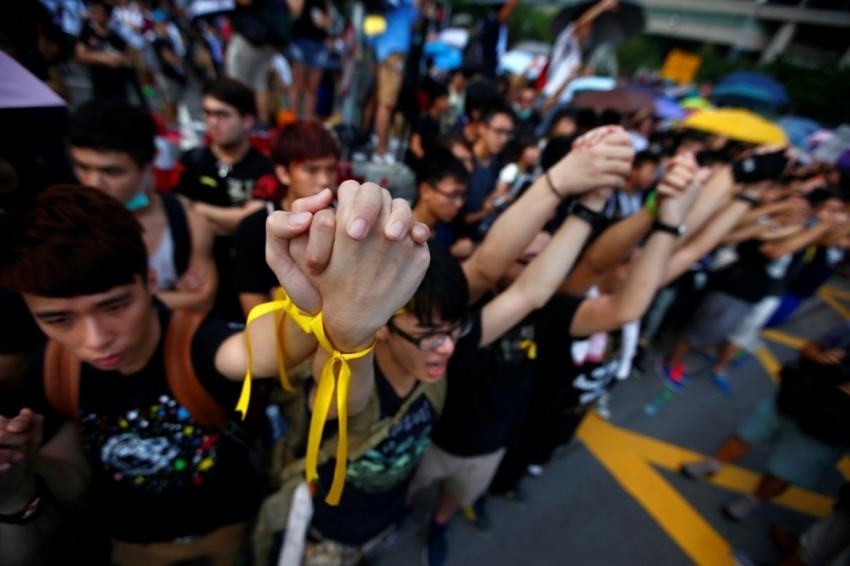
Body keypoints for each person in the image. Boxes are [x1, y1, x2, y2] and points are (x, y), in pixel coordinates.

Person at [255, 125, 638, 566]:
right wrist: (349, 316)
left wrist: (582, 200)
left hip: (386, 523)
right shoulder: (354, 372)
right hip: (327, 536)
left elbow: (524, 290)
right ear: (380, 325)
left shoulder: (435, 353)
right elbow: (341, 371)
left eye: (454, 329)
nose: (446, 348)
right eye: (430, 333)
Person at [0, 184, 339, 566]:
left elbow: (258, 351)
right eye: (59, 319)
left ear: (149, 281)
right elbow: (72, 476)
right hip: (131, 545)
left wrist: (319, 291)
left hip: (225, 534)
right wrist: (20, 475)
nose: (96, 339)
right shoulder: (52, 370)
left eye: (114, 306)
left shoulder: (194, 342)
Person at [410, 154, 699, 566]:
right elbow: (492, 268)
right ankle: (399, 514)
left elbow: (621, 306)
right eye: (525, 259)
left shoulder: (550, 311)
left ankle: (439, 525)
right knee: (400, 491)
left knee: (453, 500)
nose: (538, 271)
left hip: (490, 448)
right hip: (432, 439)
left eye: (546, 261)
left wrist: (667, 221)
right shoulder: (466, 309)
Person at [681, 320, 850, 523]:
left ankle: (753, 500)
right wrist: (820, 356)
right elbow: (809, 348)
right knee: (747, 433)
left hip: (831, 430)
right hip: (798, 398)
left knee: (786, 469)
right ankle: (712, 464)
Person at [68, 100, 219, 314]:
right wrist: (170, 297)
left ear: (148, 169)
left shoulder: (187, 219)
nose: (93, 183)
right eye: (82, 167)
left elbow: (202, 300)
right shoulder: (62, 222)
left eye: (111, 172)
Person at [175, 78, 276, 320]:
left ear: (247, 121)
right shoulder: (193, 160)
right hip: (197, 274)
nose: (212, 122)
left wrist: (198, 208)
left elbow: (250, 221)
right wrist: (229, 219)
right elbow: (178, 212)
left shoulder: (264, 167)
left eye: (222, 115)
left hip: (246, 275)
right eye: (208, 113)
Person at [235, 120, 340, 315]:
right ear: (283, 173)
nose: (325, 180)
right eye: (311, 170)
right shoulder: (254, 228)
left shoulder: (346, 221)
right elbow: (255, 313)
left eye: (331, 169)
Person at [226, 0, 302, 127]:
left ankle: (240, 125)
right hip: (268, 40)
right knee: (260, 83)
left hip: (250, 37)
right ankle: (262, 125)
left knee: (237, 85)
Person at [368, 0, 419, 165]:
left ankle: (379, 144)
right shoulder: (404, 4)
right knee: (386, 103)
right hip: (392, 52)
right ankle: (381, 149)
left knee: (379, 101)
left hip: (386, 51)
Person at [464, 98, 516, 235]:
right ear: (482, 128)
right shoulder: (465, 161)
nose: (504, 139)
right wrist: (485, 211)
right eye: (499, 131)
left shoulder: (494, 163)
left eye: (508, 134)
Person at [410, 147, 470, 253]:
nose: (459, 203)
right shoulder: (402, 229)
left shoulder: (446, 232)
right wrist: (451, 253)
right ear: (425, 191)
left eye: (462, 196)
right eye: (453, 195)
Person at [75, 0, 132, 103]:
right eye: (94, 12)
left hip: (117, 85)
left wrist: (92, 55)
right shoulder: (87, 32)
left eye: (100, 14)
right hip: (98, 84)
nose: (96, 16)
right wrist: (106, 59)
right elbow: (81, 55)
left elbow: (120, 59)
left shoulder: (116, 36)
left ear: (108, 16)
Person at [288, 0, 332, 120]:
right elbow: (296, 12)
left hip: (319, 43)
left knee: (313, 88)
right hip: (300, 40)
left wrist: (324, 22)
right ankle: (292, 120)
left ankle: (307, 122)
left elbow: (329, 17)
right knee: (298, 84)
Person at [150, 9, 187, 130]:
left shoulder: (170, 39)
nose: (165, 26)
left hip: (173, 74)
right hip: (167, 74)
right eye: (162, 24)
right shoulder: (158, 41)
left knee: (175, 102)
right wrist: (177, 59)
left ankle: (174, 125)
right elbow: (169, 59)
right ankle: (167, 126)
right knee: (169, 102)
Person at [603, 150, 659, 221]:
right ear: (633, 170)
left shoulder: (646, 196)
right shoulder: (610, 194)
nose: (653, 177)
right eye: (650, 172)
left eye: (655, 172)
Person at [405, 83, 450, 170]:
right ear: (437, 100)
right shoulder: (424, 119)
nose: (448, 103)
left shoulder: (438, 121)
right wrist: (429, 164)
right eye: (445, 99)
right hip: (414, 165)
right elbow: (415, 146)